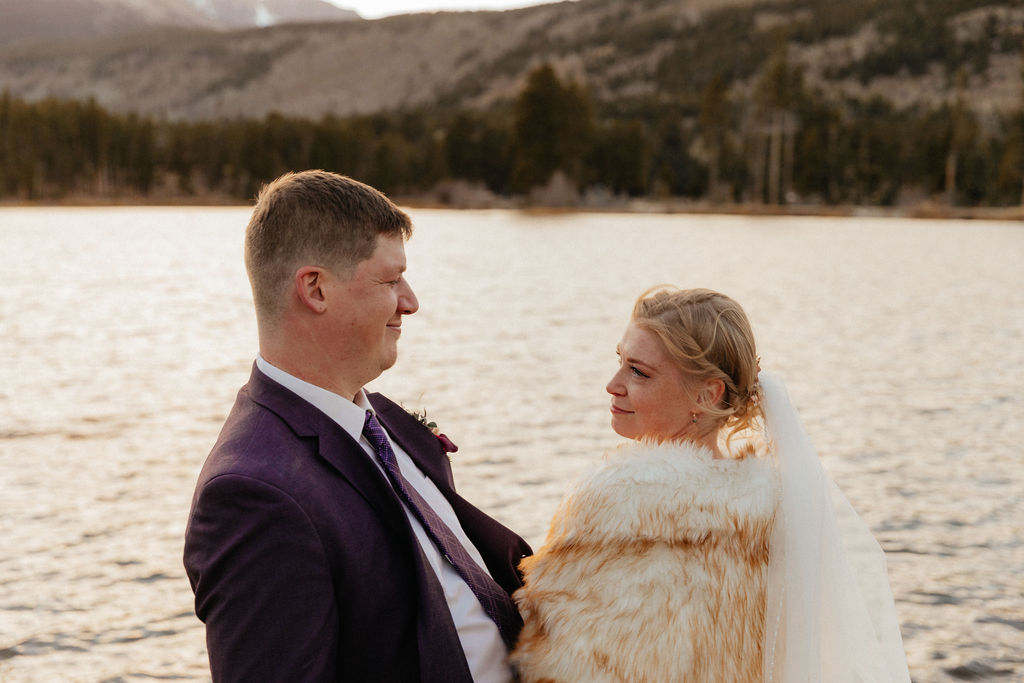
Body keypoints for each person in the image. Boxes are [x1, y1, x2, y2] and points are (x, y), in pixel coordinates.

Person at [183, 170, 531, 682]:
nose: (410, 301)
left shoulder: (381, 419)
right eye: (391, 281)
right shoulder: (254, 492)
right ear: (316, 289)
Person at [510, 286, 910, 682]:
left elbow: (554, 653)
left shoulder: (622, 496)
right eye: (620, 360)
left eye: (638, 372)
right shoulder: (775, 504)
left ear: (707, 393)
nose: (614, 384)